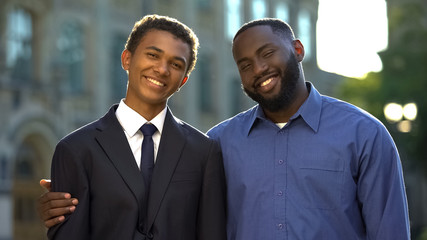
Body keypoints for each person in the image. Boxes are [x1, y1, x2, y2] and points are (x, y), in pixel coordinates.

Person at [38, 18, 410, 239]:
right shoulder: (216, 143)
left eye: (268, 53)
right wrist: (62, 203)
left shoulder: (364, 135)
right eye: (245, 64)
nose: (258, 69)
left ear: (297, 49)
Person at [41, 14, 226, 240]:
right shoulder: (76, 150)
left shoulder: (204, 152)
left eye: (176, 64)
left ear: (183, 81)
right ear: (126, 59)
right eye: (152, 55)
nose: (162, 69)